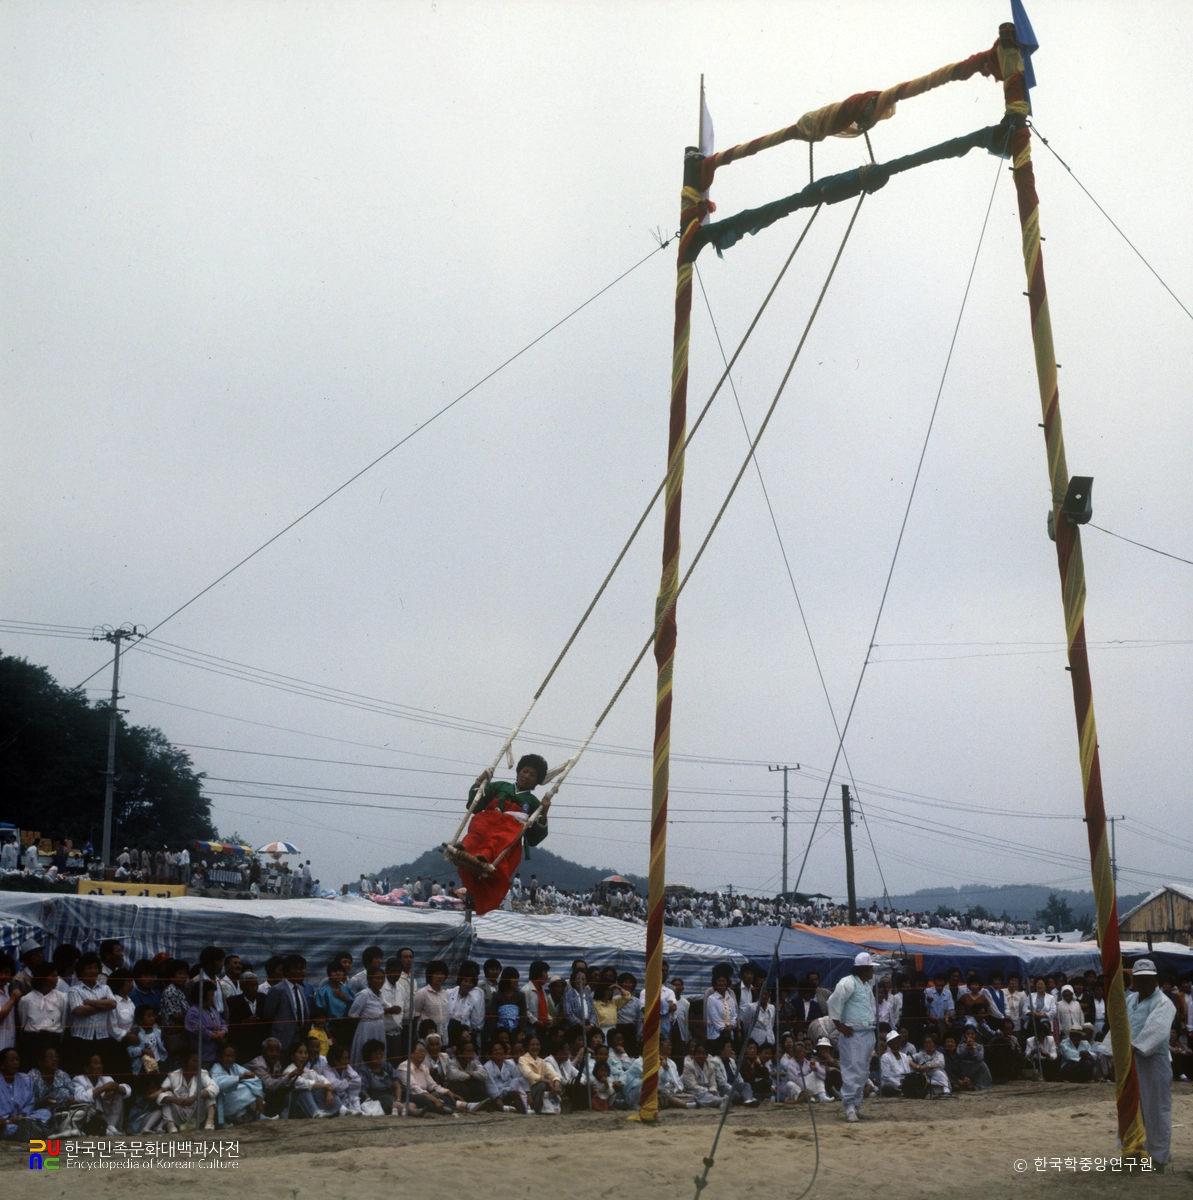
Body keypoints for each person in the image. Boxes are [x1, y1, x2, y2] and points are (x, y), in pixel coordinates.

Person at [455, 754, 552, 914]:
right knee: (478, 827)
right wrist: (480, 781)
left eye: (532, 775)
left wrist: (544, 812)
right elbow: (474, 805)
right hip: (487, 823)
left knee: (499, 839)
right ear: (519, 771)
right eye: (525, 771)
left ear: (536, 781)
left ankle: (482, 859)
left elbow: (534, 838)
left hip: (507, 834)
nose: (527, 776)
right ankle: (465, 851)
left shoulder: (533, 802)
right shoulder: (499, 787)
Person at [1125, 959, 1175, 1170]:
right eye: (1140, 979)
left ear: (1155, 979)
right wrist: (1114, 1054)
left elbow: (1157, 1031)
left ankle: (1157, 1157)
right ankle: (1132, 1152)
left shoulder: (1164, 1003)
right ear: (1134, 981)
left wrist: (1133, 1049)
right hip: (1129, 1059)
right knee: (1131, 1108)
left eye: (1148, 978)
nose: (1144, 983)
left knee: (1156, 1109)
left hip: (1153, 1060)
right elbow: (1120, 1025)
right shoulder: (1130, 1000)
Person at [828, 951, 876, 1123]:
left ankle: (856, 1105)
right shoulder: (847, 983)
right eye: (870, 968)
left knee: (863, 1070)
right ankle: (849, 1106)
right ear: (864, 969)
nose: (872, 972)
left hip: (867, 1030)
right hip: (853, 1032)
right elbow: (833, 1002)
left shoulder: (866, 986)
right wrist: (839, 1025)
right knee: (852, 1069)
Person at [73, 1050, 131, 1134]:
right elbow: (80, 1097)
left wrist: (115, 1088)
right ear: (86, 1068)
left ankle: (112, 1127)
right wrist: (103, 1088)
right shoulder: (78, 1079)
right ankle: (102, 1130)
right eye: (95, 1063)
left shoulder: (107, 1079)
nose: (99, 1066)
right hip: (90, 1119)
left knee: (119, 1092)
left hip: (108, 1117)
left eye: (100, 1063)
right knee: (91, 1091)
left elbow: (128, 1091)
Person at [262, 954, 309, 1050]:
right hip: (282, 1036)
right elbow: (268, 1014)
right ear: (286, 971)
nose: (299, 972)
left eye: (301, 969)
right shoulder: (277, 989)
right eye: (296, 969)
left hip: (300, 1035)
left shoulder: (300, 988)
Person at [1, 1045, 49, 1138]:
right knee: (8, 1128)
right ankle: (35, 1131)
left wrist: (20, 1116)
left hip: (23, 1119)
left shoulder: (25, 1078)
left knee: (46, 1113)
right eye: (12, 1060)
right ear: (2, 1064)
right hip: (5, 1122)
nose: (16, 1063)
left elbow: (30, 1104)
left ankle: (27, 1130)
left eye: (17, 1059)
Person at [211, 1042, 265, 1126]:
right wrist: (239, 1078)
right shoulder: (215, 1068)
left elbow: (254, 1079)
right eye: (227, 1056)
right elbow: (218, 1084)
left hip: (236, 1097)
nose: (230, 1059)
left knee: (248, 1087)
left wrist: (259, 1097)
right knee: (242, 1088)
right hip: (224, 1099)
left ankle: (259, 1116)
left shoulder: (235, 1066)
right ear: (219, 1057)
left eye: (233, 1056)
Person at [248, 1037, 299, 1117]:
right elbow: (270, 1086)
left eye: (277, 1051)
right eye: (271, 1050)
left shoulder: (277, 1063)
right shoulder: (258, 1064)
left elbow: (277, 1082)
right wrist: (289, 1076)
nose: (275, 1054)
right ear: (263, 1052)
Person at [348, 967, 388, 1067]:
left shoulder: (380, 994)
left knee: (378, 1054)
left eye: (382, 978)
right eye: (377, 978)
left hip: (379, 1029)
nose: (380, 981)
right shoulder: (364, 994)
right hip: (366, 1030)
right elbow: (353, 1014)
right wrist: (364, 1028)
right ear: (369, 979)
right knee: (366, 1055)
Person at [518, 1035, 562, 1113]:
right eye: (532, 1045)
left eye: (538, 1044)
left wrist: (556, 1085)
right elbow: (528, 1074)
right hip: (528, 1089)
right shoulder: (522, 1059)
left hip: (540, 1086)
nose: (536, 1047)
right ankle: (537, 1109)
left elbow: (553, 1074)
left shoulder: (541, 1061)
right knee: (542, 1085)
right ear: (527, 1047)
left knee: (557, 1084)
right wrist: (546, 1081)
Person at [357, 1040, 403, 1115]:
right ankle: (413, 1111)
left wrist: (398, 1100)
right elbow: (363, 1092)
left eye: (381, 1052)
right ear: (368, 1055)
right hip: (376, 1100)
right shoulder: (364, 1070)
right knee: (388, 1099)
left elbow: (397, 1086)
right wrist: (371, 1105)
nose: (379, 1056)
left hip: (392, 1098)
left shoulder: (387, 1066)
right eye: (376, 1053)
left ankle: (407, 1109)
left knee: (410, 1101)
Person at [483, 1041, 528, 1113]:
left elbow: (519, 1078)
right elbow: (490, 1085)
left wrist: (515, 1090)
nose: (498, 1052)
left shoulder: (509, 1064)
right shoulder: (487, 1067)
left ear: (504, 1051)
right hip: (497, 1096)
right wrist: (498, 1100)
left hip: (510, 1092)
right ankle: (502, 1106)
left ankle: (527, 1108)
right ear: (491, 1054)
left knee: (519, 1083)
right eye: (495, 1050)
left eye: (500, 1049)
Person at [411, 961, 451, 1042]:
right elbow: (415, 1016)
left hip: (441, 1035)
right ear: (430, 975)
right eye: (437, 974)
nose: (439, 977)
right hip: (426, 1036)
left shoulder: (445, 994)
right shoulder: (422, 993)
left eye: (442, 974)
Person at [880, 1030, 924, 1098]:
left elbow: (908, 1073)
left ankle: (905, 1091)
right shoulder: (885, 1057)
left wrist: (907, 1083)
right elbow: (886, 1076)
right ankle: (903, 1092)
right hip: (892, 1083)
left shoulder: (904, 1056)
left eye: (897, 1043)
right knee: (889, 1086)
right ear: (889, 1045)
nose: (895, 1045)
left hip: (904, 1083)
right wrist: (899, 1084)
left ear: (900, 1043)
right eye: (893, 1044)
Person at [681, 1043, 724, 1107]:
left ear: (707, 1055)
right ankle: (720, 1101)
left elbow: (713, 1083)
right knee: (702, 1095)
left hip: (706, 1091)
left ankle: (719, 1101)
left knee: (716, 1094)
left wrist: (713, 1090)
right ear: (694, 1054)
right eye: (698, 1053)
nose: (701, 1055)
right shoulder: (688, 1066)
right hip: (692, 1090)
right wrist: (707, 1090)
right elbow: (692, 1085)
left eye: (703, 1053)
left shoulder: (711, 1066)